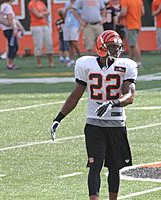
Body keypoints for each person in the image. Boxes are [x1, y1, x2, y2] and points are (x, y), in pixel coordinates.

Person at [50, 30, 138, 200]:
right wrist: (58, 118)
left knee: (114, 167)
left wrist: (113, 103)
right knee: (94, 165)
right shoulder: (86, 65)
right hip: (94, 124)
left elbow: (130, 96)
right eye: (112, 46)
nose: (116, 49)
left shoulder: (126, 66)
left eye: (117, 46)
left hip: (116, 123)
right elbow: (75, 96)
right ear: (101, 47)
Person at [0, 0, 24, 70]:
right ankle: (10, 64)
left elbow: (12, 18)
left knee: (13, 46)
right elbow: (10, 17)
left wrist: (19, 27)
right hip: (9, 29)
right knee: (13, 46)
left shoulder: (4, 6)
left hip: (8, 29)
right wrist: (14, 28)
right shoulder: (7, 6)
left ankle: (10, 63)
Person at [28, 0, 54, 68]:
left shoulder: (41, 2)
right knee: (38, 45)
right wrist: (44, 13)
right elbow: (38, 15)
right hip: (36, 26)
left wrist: (42, 13)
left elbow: (48, 12)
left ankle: (51, 62)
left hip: (45, 25)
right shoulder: (31, 4)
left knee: (49, 43)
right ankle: (39, 63)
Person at [120, 0, 144, 68]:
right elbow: (142, 12)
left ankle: (138, 62)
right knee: (131, 44)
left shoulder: (125, 1)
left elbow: (123, 12)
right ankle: (131, 61)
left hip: (130, 24)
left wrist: (119, 16)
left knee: (134, 44)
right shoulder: (139, 1)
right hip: (137, 24)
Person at [64, 0, 82, 67]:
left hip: (75, 25)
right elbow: (64, 16)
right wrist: (66, 9)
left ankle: (81, 59)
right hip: (67, 25)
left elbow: (81, 14)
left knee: (75, 42)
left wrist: (80, 25)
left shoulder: (78, 3)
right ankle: (72, 60)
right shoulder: (67, 3)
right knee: (70, 43)